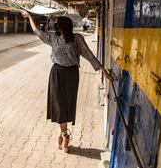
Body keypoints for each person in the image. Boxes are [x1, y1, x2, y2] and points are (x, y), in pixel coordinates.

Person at [21, 11, 113, 153]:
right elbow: (37, 32)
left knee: (67, 103)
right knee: (58, 105)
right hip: (57, 73)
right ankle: (65, 135)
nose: (55, 26)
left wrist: (102, 70)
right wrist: (30, 17)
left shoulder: (77, 38)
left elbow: (88, 54)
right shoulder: (53, 38)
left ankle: (62, 133)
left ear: (62, 26)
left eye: (57, 24)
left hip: (72, 74)